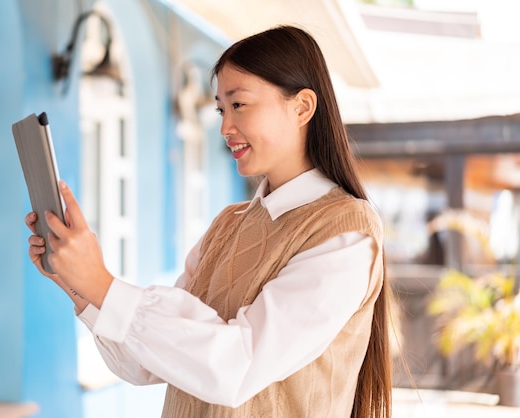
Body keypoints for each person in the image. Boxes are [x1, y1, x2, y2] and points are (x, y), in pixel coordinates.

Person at [26, 25, 392, 418]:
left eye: (239, 105)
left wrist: (101, 283)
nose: (224, 127)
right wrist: (78, 285)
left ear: (302, 107)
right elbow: (146, 362)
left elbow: (237, 366)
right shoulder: (227, 225)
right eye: (221, 108)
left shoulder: (345, 233)